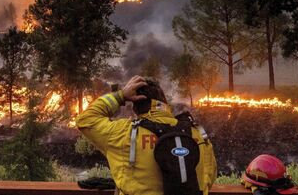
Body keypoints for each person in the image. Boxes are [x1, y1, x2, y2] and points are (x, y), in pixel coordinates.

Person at [76, 75, 217, 195]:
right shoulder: (197, 134)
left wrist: (121, 96)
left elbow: (85, 120)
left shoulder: (123, 132)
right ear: (165, 103)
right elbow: (208, 179)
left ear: (135, 106)